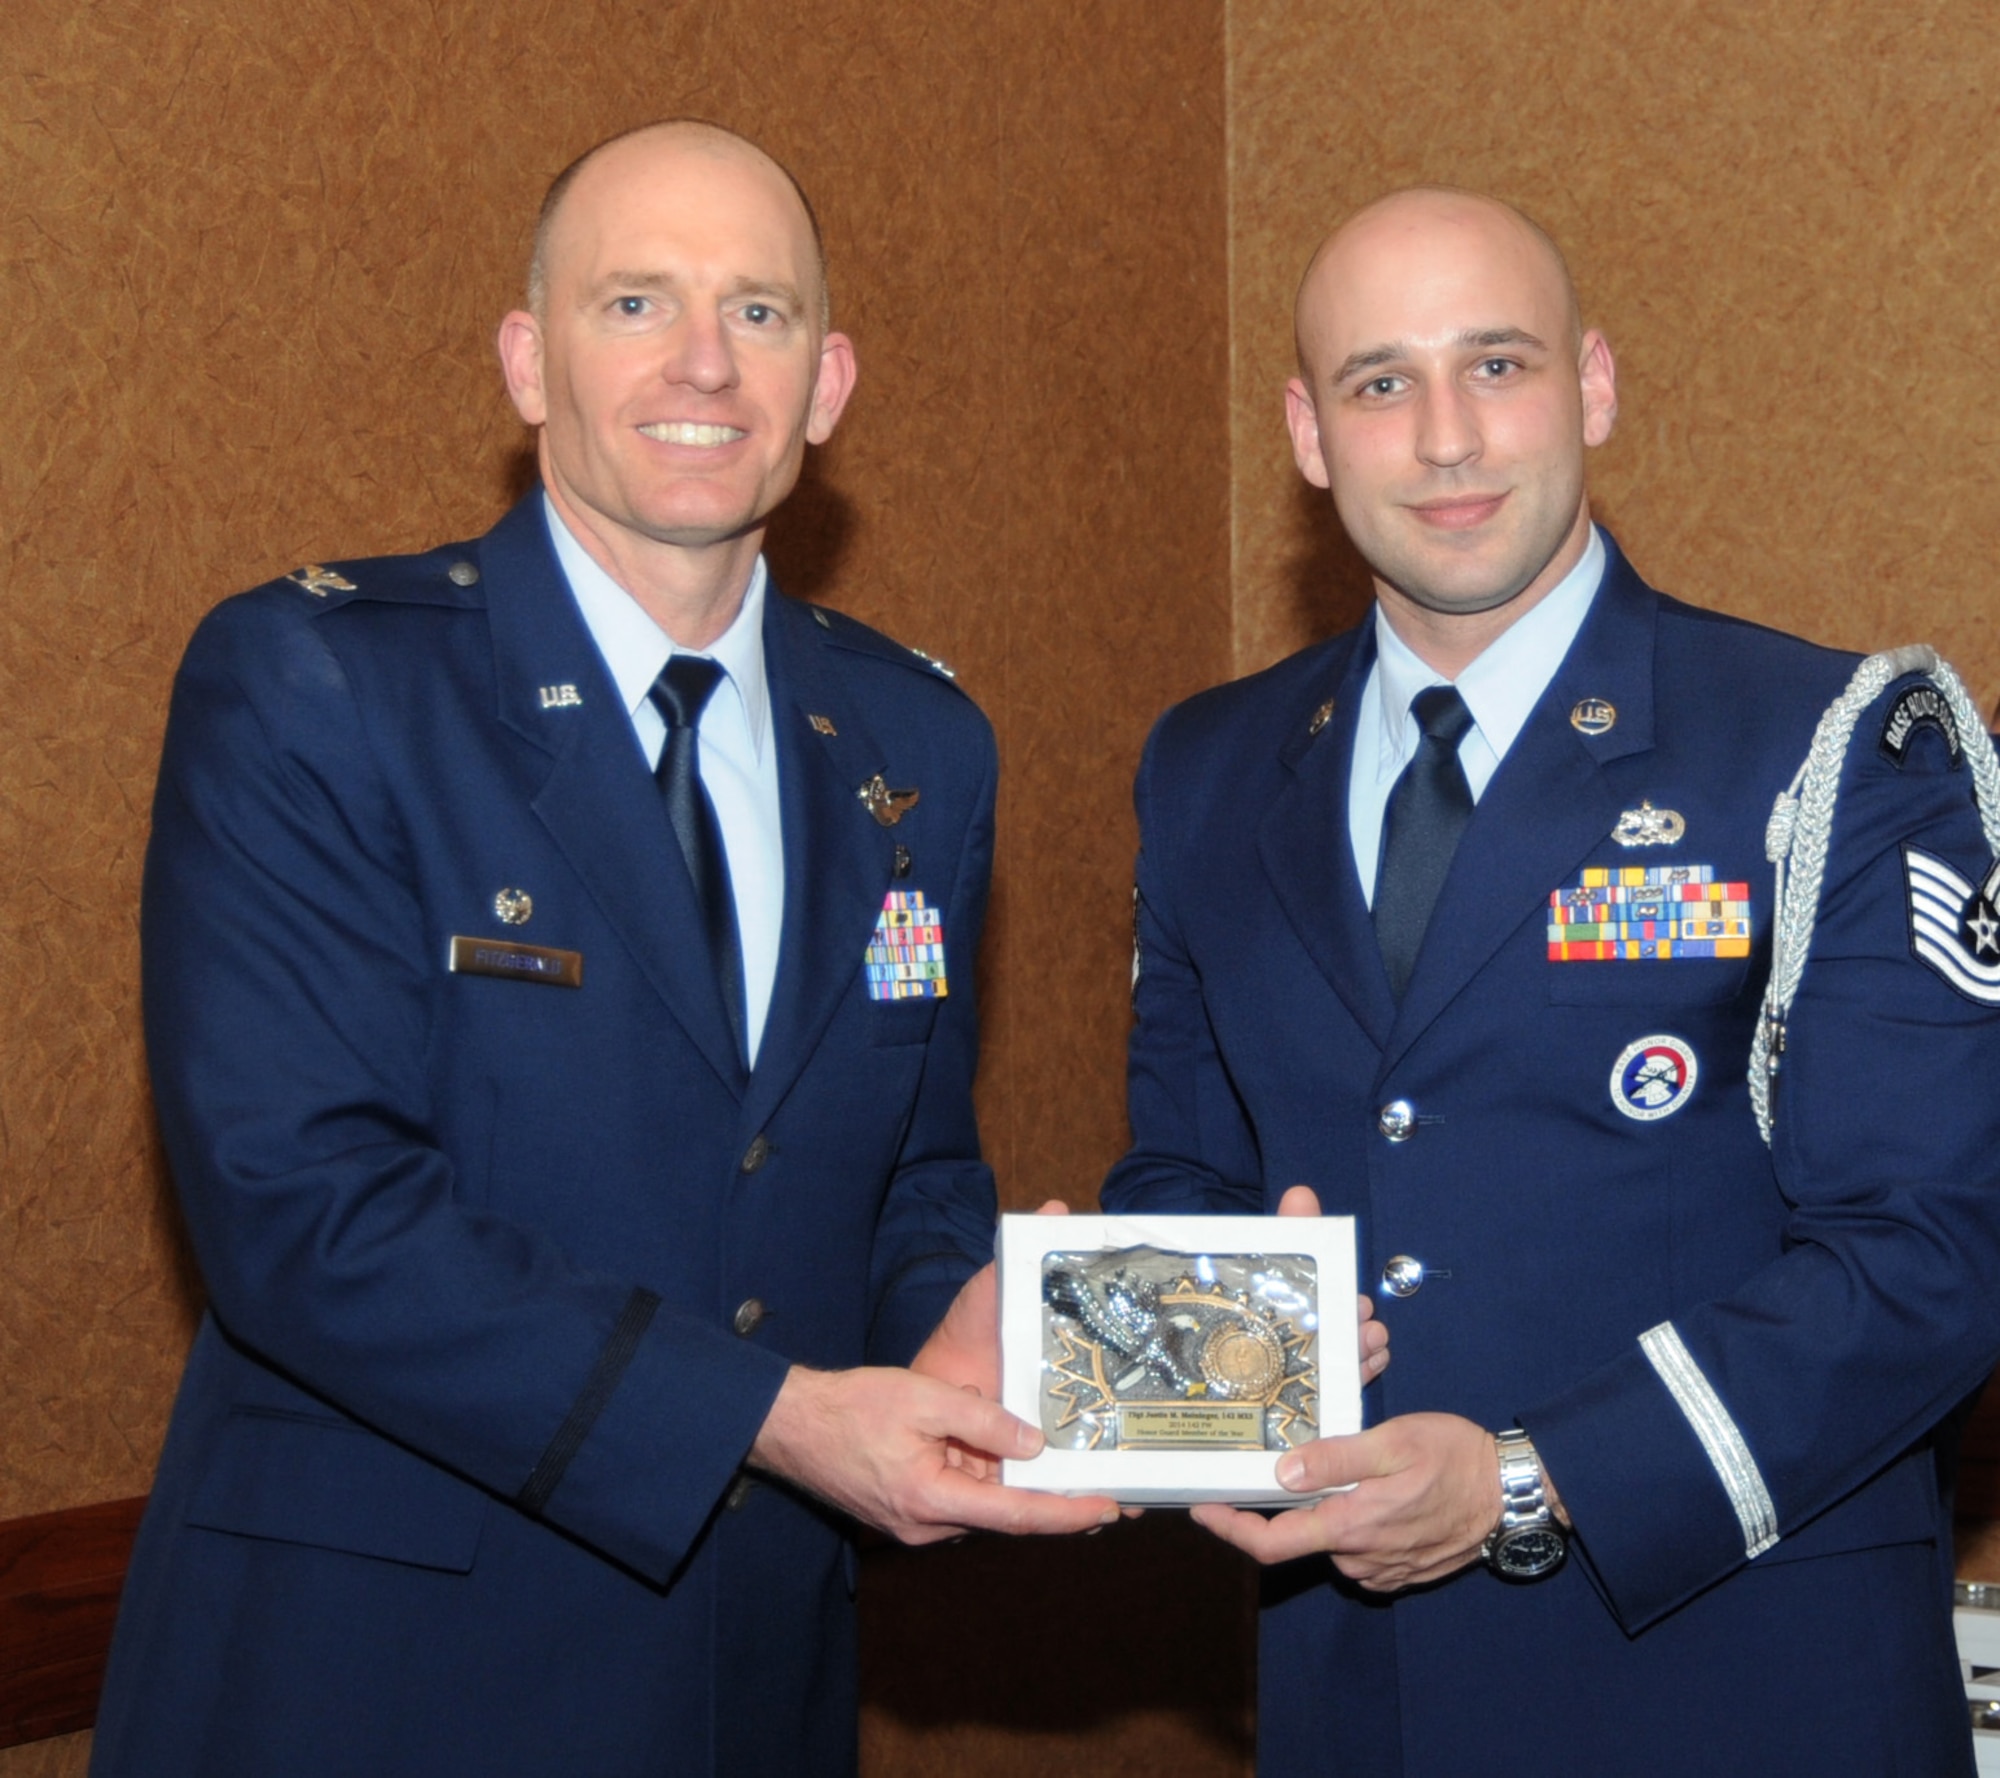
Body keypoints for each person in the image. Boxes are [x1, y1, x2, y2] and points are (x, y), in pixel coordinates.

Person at [91, 120, 1117, 1778]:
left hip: (749, 1673)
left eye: (761, 313)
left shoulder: (923, 741)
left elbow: (911, 1169)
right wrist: (787, 1417)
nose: (704, 361)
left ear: (829, 384)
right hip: (375, 1680)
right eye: (635, 302)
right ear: (527, 359)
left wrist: (997, 1334)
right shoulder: (320, 686)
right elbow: (306, 1214)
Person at [1102, 185, 2000, 1774]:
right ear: (1310, 434)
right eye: (1382, 383)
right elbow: (1184, 1171)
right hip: (1354, 1689)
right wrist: (1195, 1388)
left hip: (1738, 1682)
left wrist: (1536, 1477)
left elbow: (1939, 1256)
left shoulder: (1836, 747)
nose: (1446, 437)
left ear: (1592, 386)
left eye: (1496, 366)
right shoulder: (1209, 768)